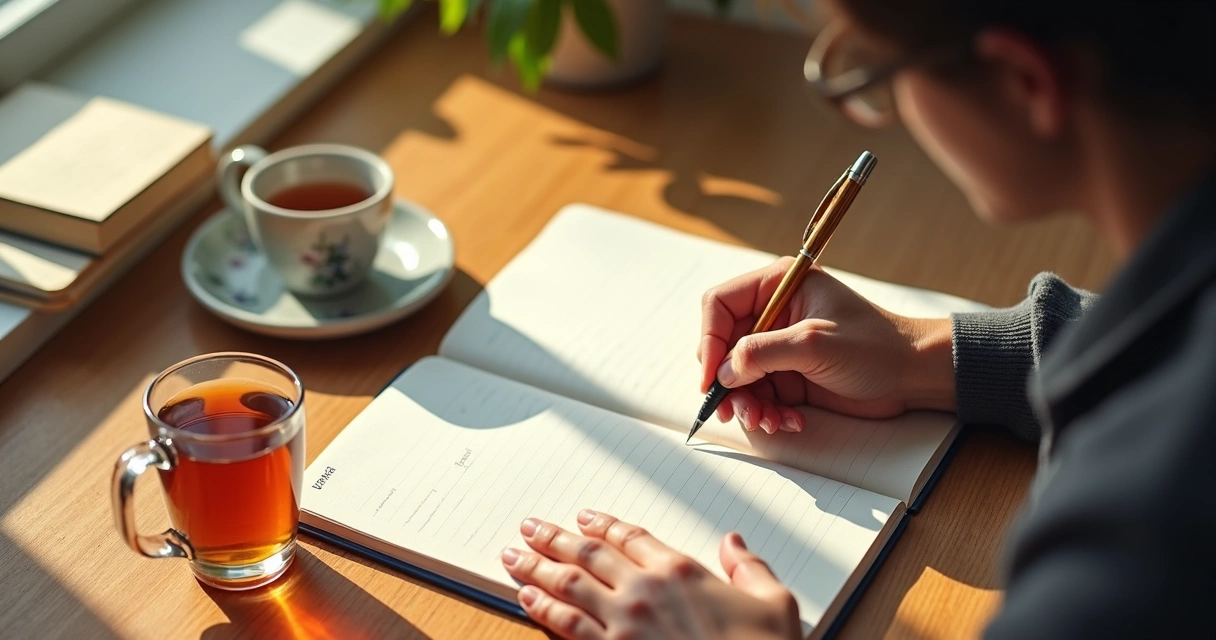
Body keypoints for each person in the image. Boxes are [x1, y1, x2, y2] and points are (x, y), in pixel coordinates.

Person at [498, 0, 1216, 637]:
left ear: (1024, 81)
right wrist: (923, 356)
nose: (892, 109)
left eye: (880, 69)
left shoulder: (1140, 531)